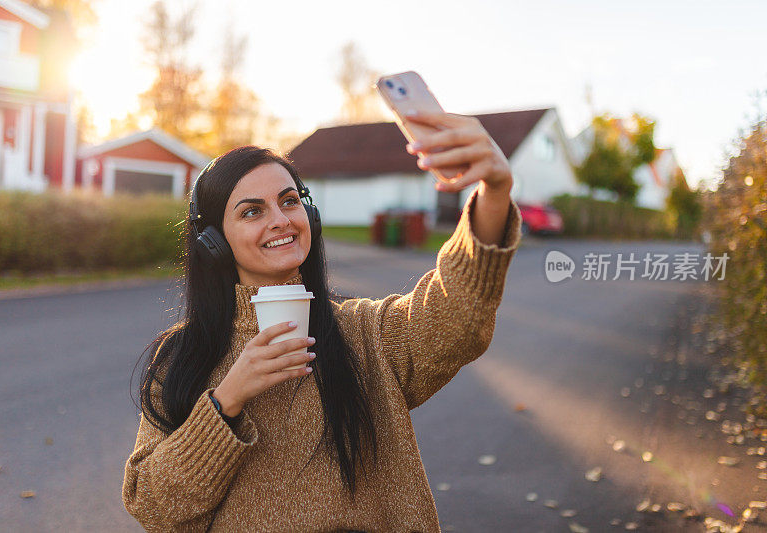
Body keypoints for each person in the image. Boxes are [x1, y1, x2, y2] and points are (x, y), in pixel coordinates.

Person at [122, 111, 522, 532]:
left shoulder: (365, 332)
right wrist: (227, 400)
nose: (281, 220)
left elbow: (454, 316)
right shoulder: (181, 358)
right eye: (252, 211)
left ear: (309, 216)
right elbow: (151, 505)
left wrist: (494, 192)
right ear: (215, 242)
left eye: (289, 201)